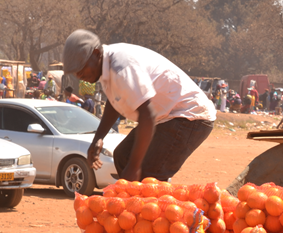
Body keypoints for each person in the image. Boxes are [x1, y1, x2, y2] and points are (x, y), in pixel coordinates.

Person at [62, 29, 215, 182]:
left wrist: (134, 168)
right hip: (166, 117)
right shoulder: (105, 67)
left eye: (81, 67)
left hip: (189, 116)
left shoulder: (121, 67)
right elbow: (114, 102)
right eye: (75, 72)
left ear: (96, 53)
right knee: (123, 156)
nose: (79, 75)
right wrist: (98, 138)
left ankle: (157, 203)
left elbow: (147, 115)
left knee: (148, 174)